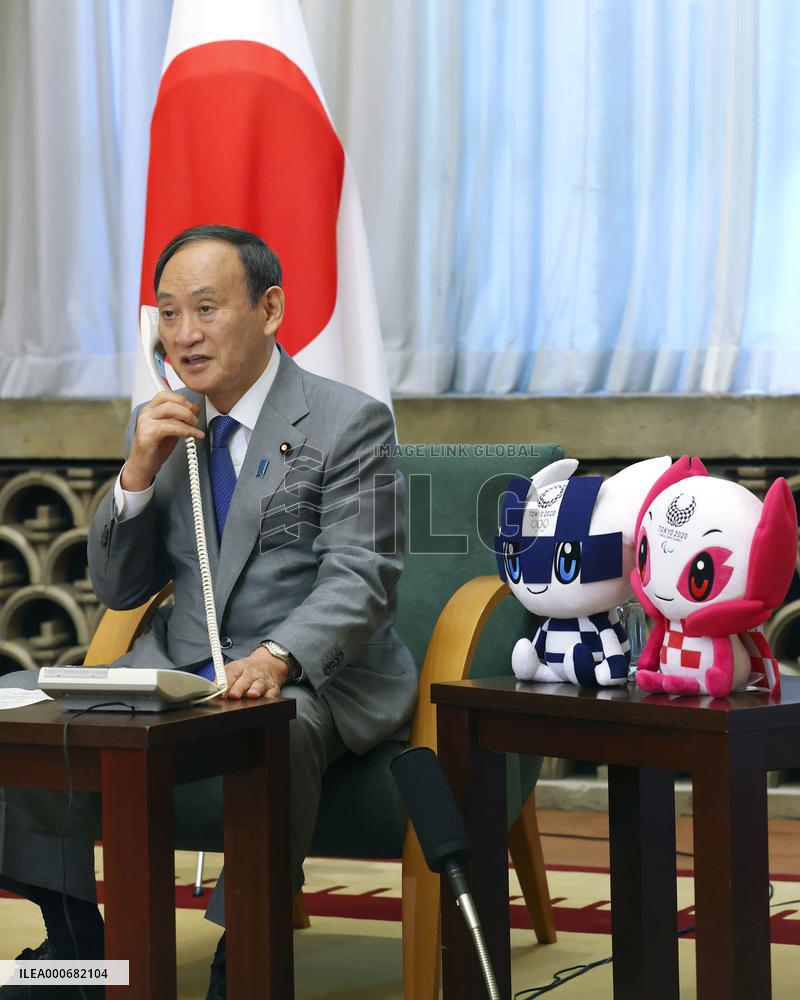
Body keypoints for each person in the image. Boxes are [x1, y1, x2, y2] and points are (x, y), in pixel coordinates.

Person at [0, 225, 417, 999]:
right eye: (167, 314)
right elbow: (122, 592)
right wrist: (133, 474)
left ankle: (244, 965)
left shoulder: (346, 421)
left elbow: (361, 576)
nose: (184, 335)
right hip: (175, 660)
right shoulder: (166, 422)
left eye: (204, 308)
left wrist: (280, 656)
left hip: (307, 674)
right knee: (20, 707)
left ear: (269, 309)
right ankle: (78, 950)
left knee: (278, 722)